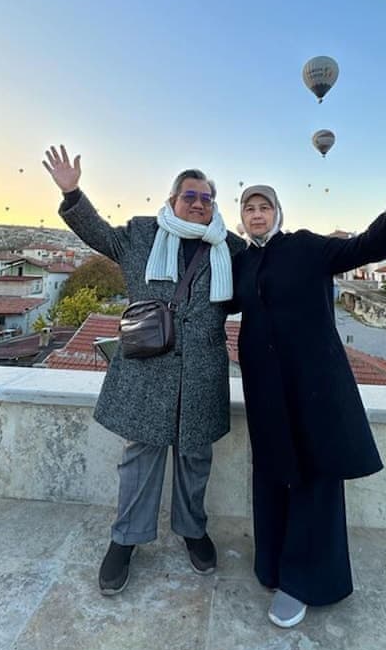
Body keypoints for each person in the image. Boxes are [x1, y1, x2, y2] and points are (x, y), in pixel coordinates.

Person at [232, 165, 386, 628]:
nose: (257, 214)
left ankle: (304, 582)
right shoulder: (242, 261)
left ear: (278, 213)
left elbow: (370, 246)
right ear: (241, 218)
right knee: (272, 472)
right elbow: (213, 301)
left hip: (314, 386)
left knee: (314, 475)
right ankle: (273, 564)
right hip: (265, 389)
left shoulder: (307, 247)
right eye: (249, 208)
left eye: (265, 206)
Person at [43, 145, 245, 594]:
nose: (199, 203)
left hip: (202, 371)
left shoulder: (230, 248)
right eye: (190, 195)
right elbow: (98, 234)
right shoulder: (141, 234)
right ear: (172, 199)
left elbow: (256, 286)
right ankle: (125, 540)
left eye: (207, 198)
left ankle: (193, 530)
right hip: (148, 369)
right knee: (141, 455)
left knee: (195, 456)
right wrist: (72, 193)